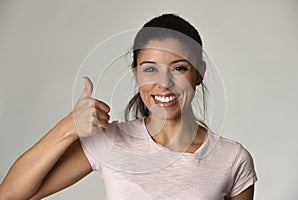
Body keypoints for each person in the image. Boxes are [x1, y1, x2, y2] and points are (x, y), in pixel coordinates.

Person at [0, 14, 257, 200]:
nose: (164, 84)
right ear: (136, 74)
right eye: (150, 69)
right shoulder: (111, 140)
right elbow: (10, 195)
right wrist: (68, 128)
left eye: (179, 68)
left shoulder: (232, 159)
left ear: (199, 73)